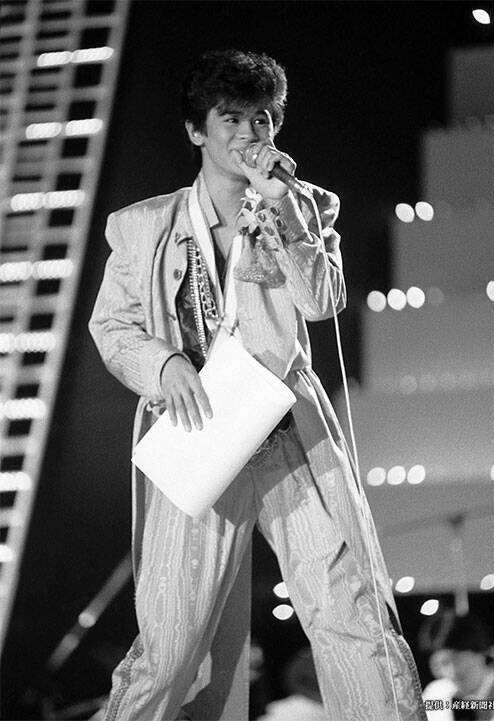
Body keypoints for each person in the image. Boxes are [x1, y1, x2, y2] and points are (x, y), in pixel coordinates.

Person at [89, 49, 426, 721]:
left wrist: (283, 210)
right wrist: (163, 364)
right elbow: (113, 325)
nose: (250, 134)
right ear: (197, 130)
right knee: (172, 640)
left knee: (347, 604)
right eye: (233, 118)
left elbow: (322, 302)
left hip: (285, 432)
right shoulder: (141, 225)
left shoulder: (307, 206)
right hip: (197, 434)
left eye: (264, 119)